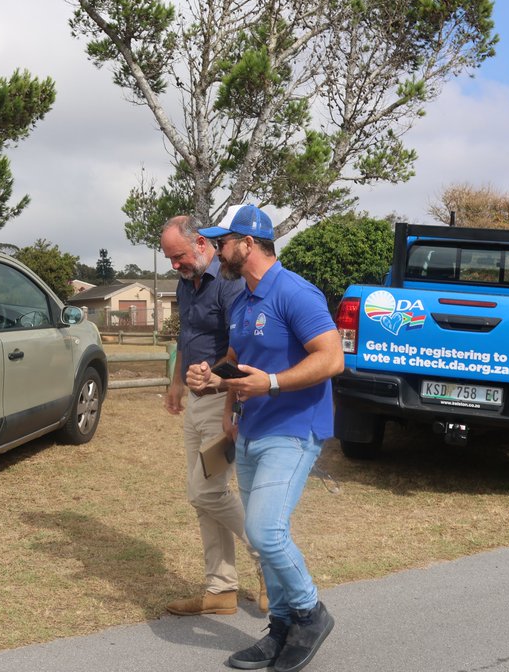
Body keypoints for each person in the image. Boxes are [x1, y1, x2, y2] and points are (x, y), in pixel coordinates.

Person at [186, 204, 344, 672]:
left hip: (293, 430)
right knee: (267, 531)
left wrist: (271, 384)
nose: (217, 250)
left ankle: (310, 613)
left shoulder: (295, 293)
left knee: (265, 531)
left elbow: (332, 359)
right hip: (252, 429)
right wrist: (212, 379)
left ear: (248, 244)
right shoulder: (243, 300)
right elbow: (238, 357)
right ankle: (279, 629)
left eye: (223, 242)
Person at [159, 215, 266, 616]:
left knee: (205, 491)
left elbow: (241, 350)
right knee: (205, 500)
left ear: (202, 244)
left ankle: (269, 559)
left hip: (225, 400)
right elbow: (187, 337)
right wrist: (176, 382)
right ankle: (221, 589)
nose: (176, 265)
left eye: (180, 256)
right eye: (170, 258)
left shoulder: (229, 284)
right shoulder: (186, 285)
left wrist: (215, 380)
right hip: (195, 403)